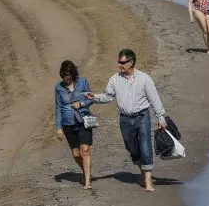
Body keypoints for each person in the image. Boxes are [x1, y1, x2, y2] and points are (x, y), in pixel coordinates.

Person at [84, 49, 168, 192]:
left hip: (142, 117)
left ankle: (148, 181)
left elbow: (154, 99)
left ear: (131, 62)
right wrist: (94, 97)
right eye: (119, 62)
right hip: (125, 119)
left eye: (123, 62)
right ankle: (142, 170)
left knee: (146, 147)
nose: (120, 65)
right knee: (132, 149)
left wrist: (161, 116)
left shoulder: (144, 78)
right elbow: (108, 96)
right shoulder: (115, 79)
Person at [55, 60, 95, 189]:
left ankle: (88, 182)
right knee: (76, 154)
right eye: (64, 75)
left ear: (73, 73)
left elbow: (91, 99)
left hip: (83, 119)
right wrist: (58, 128)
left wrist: (81, 104)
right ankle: (85, 170)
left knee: (85, 150)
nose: (66, 78)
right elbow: (58, 108)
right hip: (68, 124)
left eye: (68, 75)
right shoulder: (58, 87)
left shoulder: (82, 82)